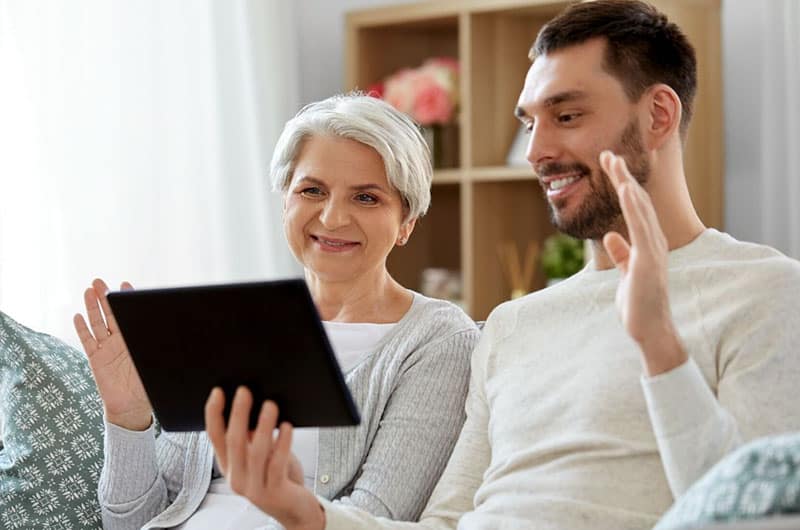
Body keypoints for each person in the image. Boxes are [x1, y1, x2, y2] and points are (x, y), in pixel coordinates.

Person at [201, 1, 800, 529]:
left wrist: (658, 345)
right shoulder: (514, 324)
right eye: (529, 123)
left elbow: (754, 513)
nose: (537, 152)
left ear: (659, 116)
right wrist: (302, 511)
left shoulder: (762, 292)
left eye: (566, 116)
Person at [73, 94, 480, 530]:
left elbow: (376, 519)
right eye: (312, 190)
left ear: (406, 223)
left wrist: (286, 502)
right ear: (285, 200)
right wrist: (128, 419)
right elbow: (133, 522)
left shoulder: (437, 340)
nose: (332, 217)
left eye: (366, 197)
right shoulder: (228, 320)